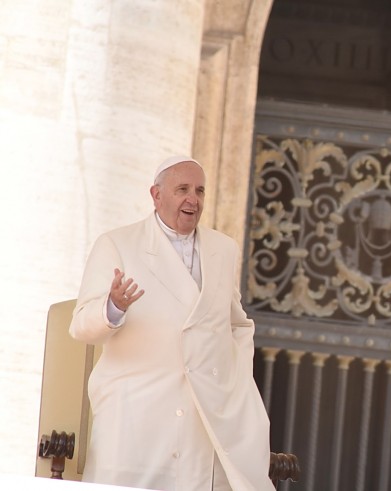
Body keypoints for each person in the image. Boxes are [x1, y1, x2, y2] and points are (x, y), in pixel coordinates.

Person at [69, 156, 274, 491]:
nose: (193, 198)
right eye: (182, 189)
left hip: (203, 412)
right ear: (156, 194)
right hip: (137, 413)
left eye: (200, 190)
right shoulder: (117, 243)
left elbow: (236, 324)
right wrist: (113, 307)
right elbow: (80, 327)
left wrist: (233, 380)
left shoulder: (223, 249)